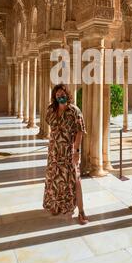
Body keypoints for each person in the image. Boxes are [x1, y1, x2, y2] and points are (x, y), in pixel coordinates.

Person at [43, 83, 88, 225]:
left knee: (75, 180)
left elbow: (80, 131)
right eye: (57, 96)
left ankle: (81, 212)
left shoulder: (75, 111)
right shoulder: (51, 110)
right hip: (54, 152)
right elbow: (51, 126)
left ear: (67, 94)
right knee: (54, 179)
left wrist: (76, 151)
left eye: (62, 95)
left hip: (69, 151)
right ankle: (56, 205)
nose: (60, 97)